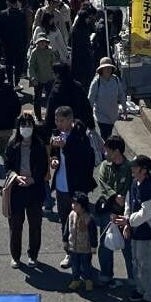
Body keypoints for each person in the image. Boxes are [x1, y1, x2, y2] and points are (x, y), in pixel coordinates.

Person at [49, 108, 97, 269]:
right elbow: (54, 153)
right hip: (61, 187)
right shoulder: (57, 134)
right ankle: (69, 253)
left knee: (81, 223)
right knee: (65, 221)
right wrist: (54, 158)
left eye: (61, 121)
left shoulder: (80, 135)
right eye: (57, 121)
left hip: (76, 187)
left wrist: (66, 147)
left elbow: (83, 159)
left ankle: (85, 257)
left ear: (70, 119)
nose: (58, 124)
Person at [3, 112, 48, 268]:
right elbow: (7, 167)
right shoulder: (12, 145)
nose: (26, 128)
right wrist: (15, 177)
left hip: (35, 190)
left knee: (35, 225)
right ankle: (15, 256)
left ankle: (33, 255)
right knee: (15, 225)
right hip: (17, 189)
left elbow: (43, 167)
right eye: (23, 125)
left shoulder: (39, 145)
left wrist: (33, 178)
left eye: (29, 125)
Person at [117, 154, 151, 302]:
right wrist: (128, 223)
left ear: (144, 170)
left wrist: (128, 221)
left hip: (147, 234)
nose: (132, 169)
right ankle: (140, 290)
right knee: (136, 262)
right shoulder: (135, 182)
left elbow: (147, 212)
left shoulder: (148, 187)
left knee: (146, 265)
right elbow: (129, 202)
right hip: (135, 231)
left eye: (135, 167)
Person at [94, 135, 133, 287]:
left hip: (124, 213)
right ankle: (106, 275)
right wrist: (115, 196)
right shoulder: (105, 165)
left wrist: (121, 199)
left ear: (117, 151)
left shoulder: (129, 167)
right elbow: (102, 184)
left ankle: (133, 278)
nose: (105, 153)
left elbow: (129, 188)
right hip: (106, 210)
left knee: (128, 247)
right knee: (105, 244)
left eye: (108, 150)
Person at [65, 192, 99, 292]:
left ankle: (88, 280)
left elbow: (93, 234)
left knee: (86, 266)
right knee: (75, 266)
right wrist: (65, 241)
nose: (73, 206)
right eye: (73, 203)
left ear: (83, 206)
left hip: (85, 248)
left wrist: (93, 246)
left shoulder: (89, 218)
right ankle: (76, 280)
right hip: (73, 247)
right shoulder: (71, 215)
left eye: (76, 204)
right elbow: (67, 229)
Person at [45, 63, 94, 130]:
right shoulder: (78, 86)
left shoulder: (56, 89)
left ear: (57, 74)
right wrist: (91, 125)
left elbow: (50, 111)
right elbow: (87, 107)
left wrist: (48, 128)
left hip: (61, 127)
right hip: (78, 125)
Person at [88, 58, 125, 139]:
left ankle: (107, 150)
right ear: (101, 69)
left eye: (109, 67)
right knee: (106, 137)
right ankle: (107, 151)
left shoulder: (115, 79)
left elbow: (121, 94)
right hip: (101, 116)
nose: (108, 69)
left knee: (109, 135)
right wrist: (88, 116)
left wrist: (124, 108)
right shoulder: (96, 82)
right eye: (106, 67)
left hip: (113, 115)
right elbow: (90, 99)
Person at [0, 0, 29, 87]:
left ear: (8, 2)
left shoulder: (2, 14)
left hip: (7, 43)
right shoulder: (22, 14)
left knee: (9, 63)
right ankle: (17, 82)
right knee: (19, 64)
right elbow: (25, 30)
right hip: (19, 43)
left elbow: (0, 30)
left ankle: (10, 82)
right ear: (16, 2)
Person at [27, 34, 56, 123]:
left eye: (44, 42)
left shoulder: (50, 51)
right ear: (37, 43)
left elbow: (53, 63)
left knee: (50, 98)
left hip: (49, 78)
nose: (42, 43)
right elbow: (31, 66)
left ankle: (49, 116)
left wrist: (54, 74)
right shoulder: (34, 52)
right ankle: (38, 117)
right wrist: (33, 78)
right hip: (38, 78)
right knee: (37, 99)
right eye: (40, 42)